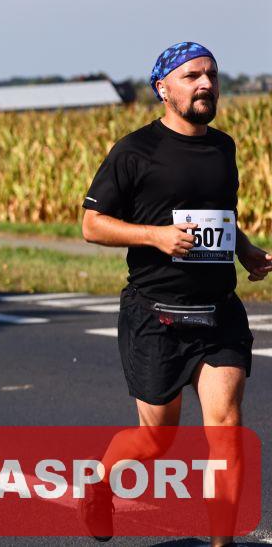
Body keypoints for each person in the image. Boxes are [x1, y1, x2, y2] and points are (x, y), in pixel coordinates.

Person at [78, 42, 271, 544]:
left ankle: (222, 543)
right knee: (156, 440)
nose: (206, 84)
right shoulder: (134, 151)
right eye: (192, 76)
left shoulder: (223, 147)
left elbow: (220, 215)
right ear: (163, 89)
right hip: (156, 315)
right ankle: (98, 483)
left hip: (218, 313)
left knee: (226, 430)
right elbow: (92, 224)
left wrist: (244, 249)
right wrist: (155, 236)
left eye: (211, 75)